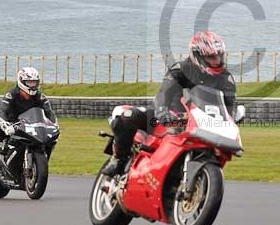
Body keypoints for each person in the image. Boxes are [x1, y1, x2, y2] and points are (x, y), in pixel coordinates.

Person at [101, 31, 237, 176]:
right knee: (128, 115)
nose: (216, 60)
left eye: (219, 56)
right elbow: (164, 92)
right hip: (167, 119)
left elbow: (228, 110)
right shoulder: (180, 69)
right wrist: (162, 111)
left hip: (200, 124)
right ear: (197, 55)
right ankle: (118, 159)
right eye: (211, 57)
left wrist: (232, 122)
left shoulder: (226, 79)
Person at [0, 67, 57, 170]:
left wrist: (54, 125)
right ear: (22, 81)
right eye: (29, 82)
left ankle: (40, 165)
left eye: (34, 82)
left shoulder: (40, 97)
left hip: (29, 125)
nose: (32, 85)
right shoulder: (11, 94)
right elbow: (3, 111)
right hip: (10, 123)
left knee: (51, 140)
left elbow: (49, 113)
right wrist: (6, 125)